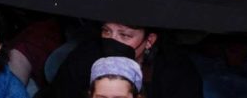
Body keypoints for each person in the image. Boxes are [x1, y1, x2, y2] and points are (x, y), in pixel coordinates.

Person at [45, 21, 201, 98]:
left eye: (125, 35)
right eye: (107, 32)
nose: (112, 42)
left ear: (149, 40)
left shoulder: (176, 73)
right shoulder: (84, 58)